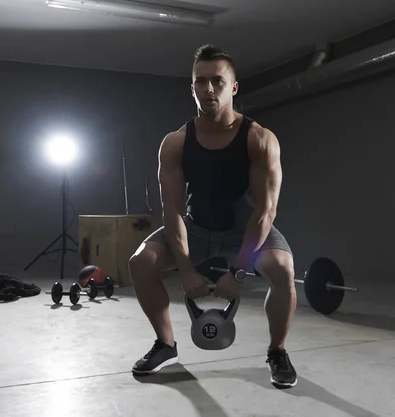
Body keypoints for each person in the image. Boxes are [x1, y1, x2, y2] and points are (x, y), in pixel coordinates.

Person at [128, 44, 298, 388]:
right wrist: (186, 269)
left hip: (246, 229)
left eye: (217, 81)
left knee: (282, 269)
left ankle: (277, 351)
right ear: (191, 88)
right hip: (196, 227)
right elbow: (172, 211)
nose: (208, 89)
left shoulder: (260, 140)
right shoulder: (175, 143)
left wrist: (238, 270)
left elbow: (265, 212)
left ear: (233, 87)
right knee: (140, 262)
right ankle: (165, 345)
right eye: (200, 82)